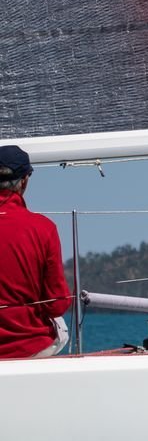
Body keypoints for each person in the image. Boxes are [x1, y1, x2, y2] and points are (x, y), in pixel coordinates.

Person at [0, 145, 71, 358]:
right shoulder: (43, 228)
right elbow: (57, 304)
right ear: (24, 181)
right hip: (29, 346)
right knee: (61, 327)